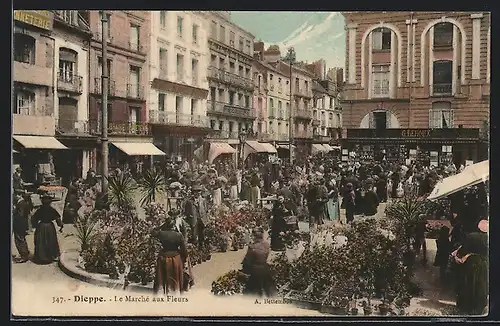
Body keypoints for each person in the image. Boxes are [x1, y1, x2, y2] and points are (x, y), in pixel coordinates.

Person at [452, 220, 488, 315]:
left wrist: (458, 254)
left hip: (472, 262)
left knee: (469, 284)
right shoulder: (489, 237)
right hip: (484, 263)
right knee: (481, 285)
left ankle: (467, 307)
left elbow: (464, 250)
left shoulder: (472, 236)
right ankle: (479, 307)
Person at [151, 215, 190, 295]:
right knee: (175, 277)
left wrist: (161, 226)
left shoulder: (161, 233)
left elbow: (152, 232)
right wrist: (184, 257)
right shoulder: (178, 235)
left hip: (164, 256)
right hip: (175, 257)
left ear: (166, 225)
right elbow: (183, 249)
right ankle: (176, 291)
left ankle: (162, 291)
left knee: (162, 277)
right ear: (173, 226)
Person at [242, 228, 276, 297]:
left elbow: (247, 261)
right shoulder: (267, 245)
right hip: (265, 268)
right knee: (269, 289)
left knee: (253, 292)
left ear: (254, 236)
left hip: (255, 270)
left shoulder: (252, 247)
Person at [31, 194, 64, 264]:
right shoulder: (52, 210)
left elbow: (34, 219)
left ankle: (41, 257)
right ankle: (50, 256)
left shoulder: (39, 210)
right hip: (49, 227)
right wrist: (61, 225)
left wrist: (35, 226)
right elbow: (58, 220)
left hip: (41, 227)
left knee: (41, 241)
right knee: (50, 241)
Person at [183, 185, 208, 250]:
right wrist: (189, 217)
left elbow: (206, 210)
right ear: (193, 193)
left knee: (202, 234)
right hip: (194, 219)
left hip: (202, 219)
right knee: (194, 234)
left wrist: (206, 218)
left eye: (199, 191)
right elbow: (186, 211)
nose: (197, 193)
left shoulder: (203, 200)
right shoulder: (189, 201)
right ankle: (195, 249)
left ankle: (201, 248)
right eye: (196, 191)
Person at [13, 191, 33, 263]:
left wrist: (14, 213)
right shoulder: (25, 203)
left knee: (19, 240)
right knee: (22, 239)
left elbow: (20, 215)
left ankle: (23, 256)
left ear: (19, 195)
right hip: (23, 224)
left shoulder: (21, 203)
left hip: (19, 224)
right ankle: (26, 253)